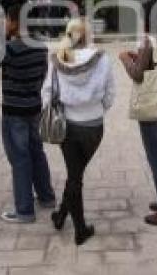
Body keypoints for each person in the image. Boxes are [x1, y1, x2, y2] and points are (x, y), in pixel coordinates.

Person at [43, 18, 115, 245]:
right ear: (87, 35)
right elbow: (110, 93)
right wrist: (97, 109)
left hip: (69, 126)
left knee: (75, 176)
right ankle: (69, 221)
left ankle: (71, 221)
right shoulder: (102, 59)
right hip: (94, 126)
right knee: (76, 175)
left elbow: (47, 92)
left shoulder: (58, 58)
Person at [0, 3, 57, 223]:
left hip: (14, 111)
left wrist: (1, 38)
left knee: (20, 158)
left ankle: (24, 210)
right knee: (37, 152)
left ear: (15, 22)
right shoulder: (41, 46)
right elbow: (43, 75)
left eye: (7, 19)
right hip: (34, 107)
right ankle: (46, 197)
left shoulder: (10, 48)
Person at [119, 0, 157, 226]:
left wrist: (126, 59)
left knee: (156, 158)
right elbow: (155, 66)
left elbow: (137, 75)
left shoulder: (148, 42)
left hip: (149, 106)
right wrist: (139, 59)